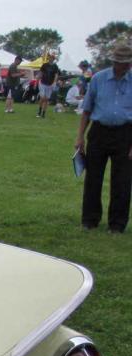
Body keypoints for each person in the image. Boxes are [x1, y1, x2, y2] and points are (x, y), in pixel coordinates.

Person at [75, 42, 132, 233]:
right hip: (99, 132)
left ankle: (117, 224)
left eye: (127, 63)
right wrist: (80, 137)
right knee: (93, 178)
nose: (124, 66)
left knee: (122, 181)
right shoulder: (98, 79)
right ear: (114, 62)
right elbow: (87, 111)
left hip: (125, 133)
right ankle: (89, 220)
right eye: (121, 63)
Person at [37, 53, 60, 118]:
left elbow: (56, 75)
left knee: (46, 99)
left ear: (53, 59)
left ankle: (43, 113)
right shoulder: (45, 65)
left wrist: (54, 82)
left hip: (50, 84)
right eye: (50, 58)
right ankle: (39, 111)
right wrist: (37, 81)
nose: (51, 59)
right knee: (42, 98)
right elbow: (40, 73)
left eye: (52, 58)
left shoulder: (55, 67)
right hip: (43, 83)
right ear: (48, 58)